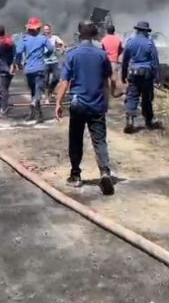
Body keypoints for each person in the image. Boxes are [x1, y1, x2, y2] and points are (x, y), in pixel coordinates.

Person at [55, 21, 114, 195]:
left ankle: (75, 175)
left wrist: (58, 103)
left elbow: (64, 82)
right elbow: (108, 81)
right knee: (100, 140)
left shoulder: (72, 54)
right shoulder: (101, 55)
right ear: (95, 35)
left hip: (78, 103)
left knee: (76, 139)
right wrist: (107, 100)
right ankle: (105, 172)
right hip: (97, 103)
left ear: (79, 35)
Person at [121, 21, 160, 134]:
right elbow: (155, 61)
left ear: (137, 30)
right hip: (147, 74)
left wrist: (123, 75)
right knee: (147, 98)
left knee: (132, 97)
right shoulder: (150, 43)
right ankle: (148, 121)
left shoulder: (130, 42)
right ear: (146, 31)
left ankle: (130, 120)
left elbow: (125, 61)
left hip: (133, 73)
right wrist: (157, 77)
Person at [16, 17, 54, 123]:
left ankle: (36, 114)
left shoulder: (24, 39)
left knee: (33, 90)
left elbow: (18, 53)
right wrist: (46, 55)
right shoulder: (43, 38)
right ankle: (34, 102)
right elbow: (51, 49)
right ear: (38, 29)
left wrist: (18, 63)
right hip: (40, 68)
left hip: (28, 69)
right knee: (39, 90)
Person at [42, 23, 65, 102]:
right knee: (45, 80)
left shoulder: (54, 37)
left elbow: (62, 43)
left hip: (54, 61)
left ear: (50, 30)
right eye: (45, 30)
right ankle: (46, 96)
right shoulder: (41, 38)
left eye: (48, 30)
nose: (46, 31)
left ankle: (50, 90)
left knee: (57, 77)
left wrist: (62, 49)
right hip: (44, 61)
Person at [101, 22, 123, 95]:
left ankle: (105, 93)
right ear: (114, 31)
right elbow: (120, 49)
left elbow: (102, 50)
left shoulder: (104, 39)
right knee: (113, 78)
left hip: (105, 60)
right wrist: (117, 55)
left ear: (107, 31)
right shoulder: (118, 39)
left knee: (105, 78)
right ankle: (113, 93)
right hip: (114, 61)